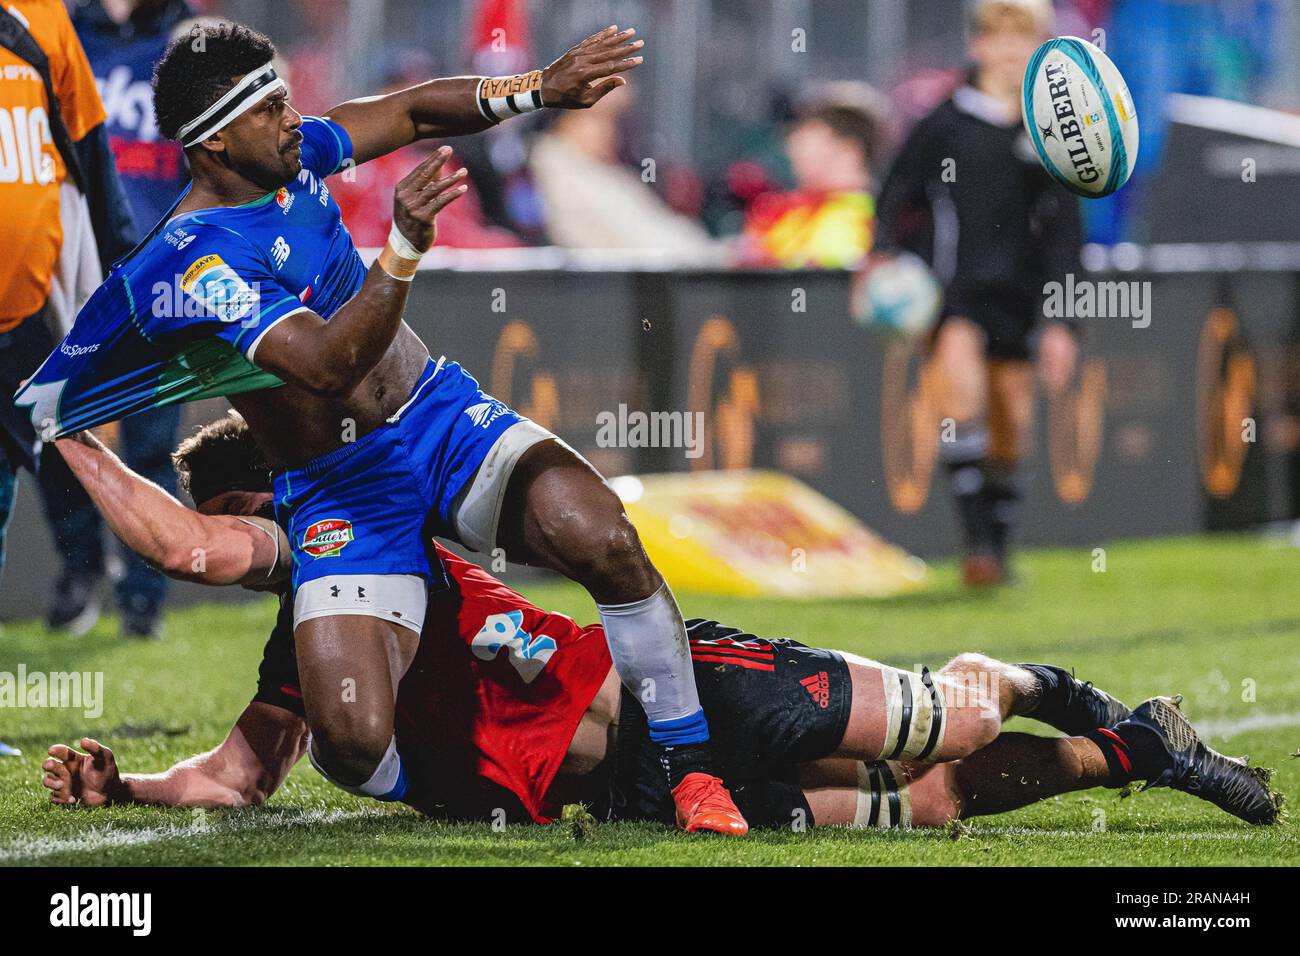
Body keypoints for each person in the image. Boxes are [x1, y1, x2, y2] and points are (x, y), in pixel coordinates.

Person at [14, 22, 748, 834]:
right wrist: (402, 244)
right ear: (215, 140)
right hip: (340, 491)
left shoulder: (291, 157)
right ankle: (467, 786)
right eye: (269, 107)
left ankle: (693, 771)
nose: (294, 119)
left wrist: (540, 87)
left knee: (604, 534)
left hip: (435, 417)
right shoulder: (193, 263)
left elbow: (407, 114)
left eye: (287, 98)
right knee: (353, 739)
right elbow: (326, 364)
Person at [39, 414, 1281, 829]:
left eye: (253, 512)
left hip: (681, 694)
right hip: (622, 791)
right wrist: (132, 782)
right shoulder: (303, 652)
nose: (252, 546)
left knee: (942, 717)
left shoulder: (388, 535)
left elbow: (527, 538)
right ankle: (1138, 751)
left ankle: (1071, 689)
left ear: (288, 495)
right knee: (932, 802)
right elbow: (238, 775)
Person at [874, 0, 1083, 585]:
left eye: (1026, 41)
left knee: (1010, 421)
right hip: (954, 293)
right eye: (1002, 39)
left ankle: (998, 543)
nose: (1013, 52)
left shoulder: (1053, 136)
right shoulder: (944, 122)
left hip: (1021, 297)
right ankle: (978, 551)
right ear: (980, 45)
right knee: (959, 398)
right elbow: (894, 196)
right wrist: (883, 260)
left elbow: (1067, 235)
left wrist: (1064, 322)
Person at [0, 0, 135, 755]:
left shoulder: (44, 18)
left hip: (23, 315)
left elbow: (90, 150)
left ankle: (89, 571)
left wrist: (125, 273)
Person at [37, 0, 196, 639]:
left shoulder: (190, 35)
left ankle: (143, 596)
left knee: (152, 444)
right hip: (70, 259)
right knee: (53, 428)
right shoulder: (59, 28)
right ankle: (81, 568)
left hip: (164, 266)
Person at [528, 84, 717, 254]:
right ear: (565, 118)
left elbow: (661, 231)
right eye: (598, 118)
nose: (609, 131)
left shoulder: (612, 173)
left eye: (614, 121)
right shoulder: (556, 171)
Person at [742, 86, 883, 269]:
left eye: (806, 138)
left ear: (848, 148)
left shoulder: (869, 218)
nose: (792, 150)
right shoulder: (792, 214)